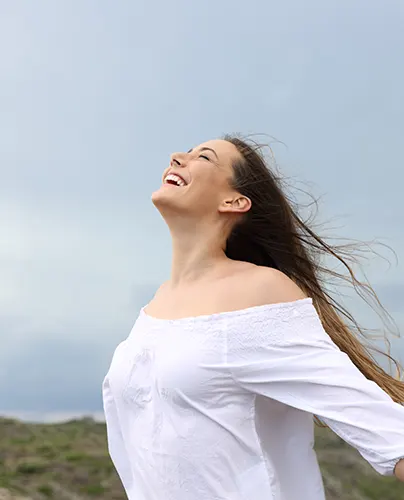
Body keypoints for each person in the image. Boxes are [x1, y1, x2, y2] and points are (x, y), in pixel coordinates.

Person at [102, 136, 404, 500]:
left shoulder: (260, 291)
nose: (177, 157)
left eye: (204, 157)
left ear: (234, 201)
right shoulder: (155, 307)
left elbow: (376, 423)